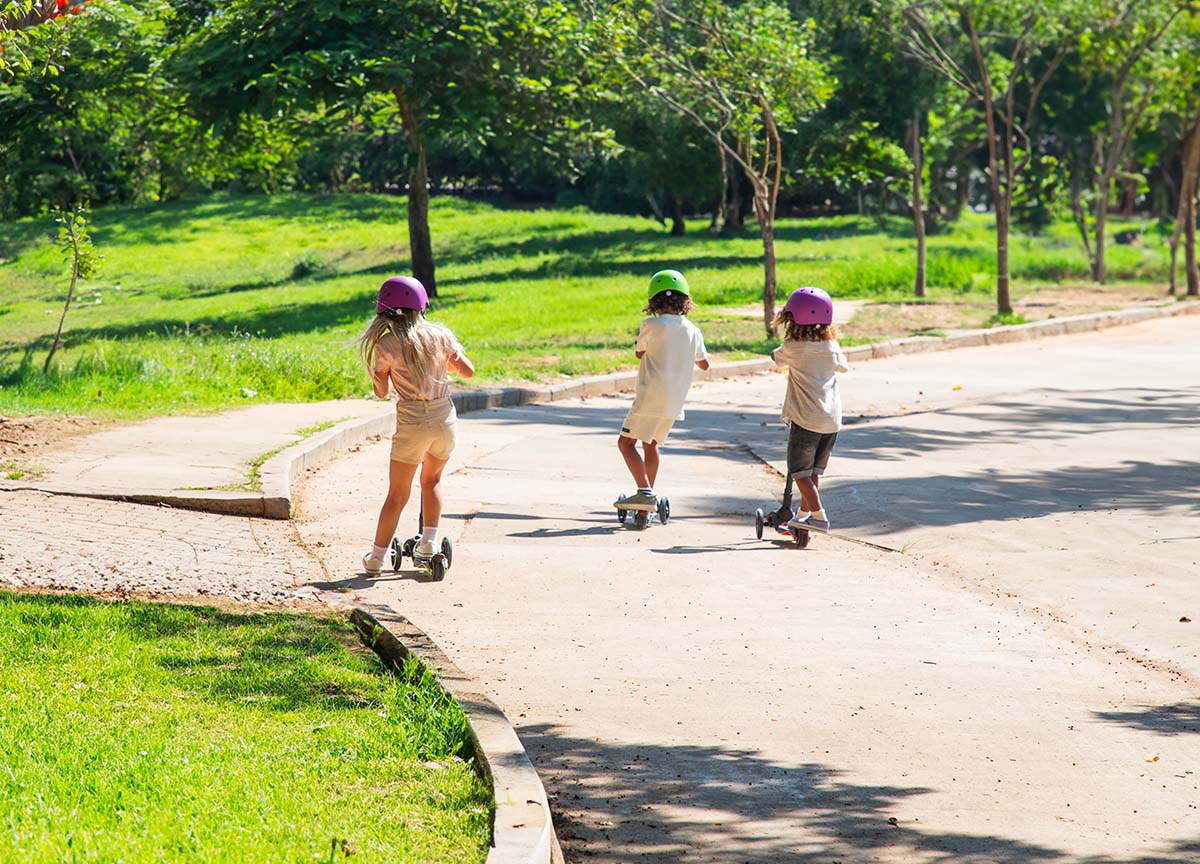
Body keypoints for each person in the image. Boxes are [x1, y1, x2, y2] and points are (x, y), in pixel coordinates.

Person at [356, 276, 474, 573]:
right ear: (421, 304)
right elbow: (468, 372)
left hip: (412, 421)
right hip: (444, 418)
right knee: (432, 481)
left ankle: (376, 558)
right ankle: (429, 544)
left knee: (397, 493)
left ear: (385, 311)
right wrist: (444, 361)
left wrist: (381, 376)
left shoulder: (385, 345)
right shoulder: (440, 336)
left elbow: (382, 391)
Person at [614, 269, 709, 512]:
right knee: (651, 444)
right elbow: (704, 364)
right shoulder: (693, 331)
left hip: (649, 397)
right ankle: (647, 497)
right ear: (685, 300)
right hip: (674, 403)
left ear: (654, 301)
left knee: (625, 444)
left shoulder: (650, 324)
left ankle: (644, 493)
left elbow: (639, 353)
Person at [770, 286, 848, 534]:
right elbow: (843, 367)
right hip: (831, 421)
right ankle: (802, 517)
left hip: (806, 419)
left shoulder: (793, 345)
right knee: (812, 472)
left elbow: (778, 359)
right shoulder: (831, 346)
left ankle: (819, 516)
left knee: (798, 472)